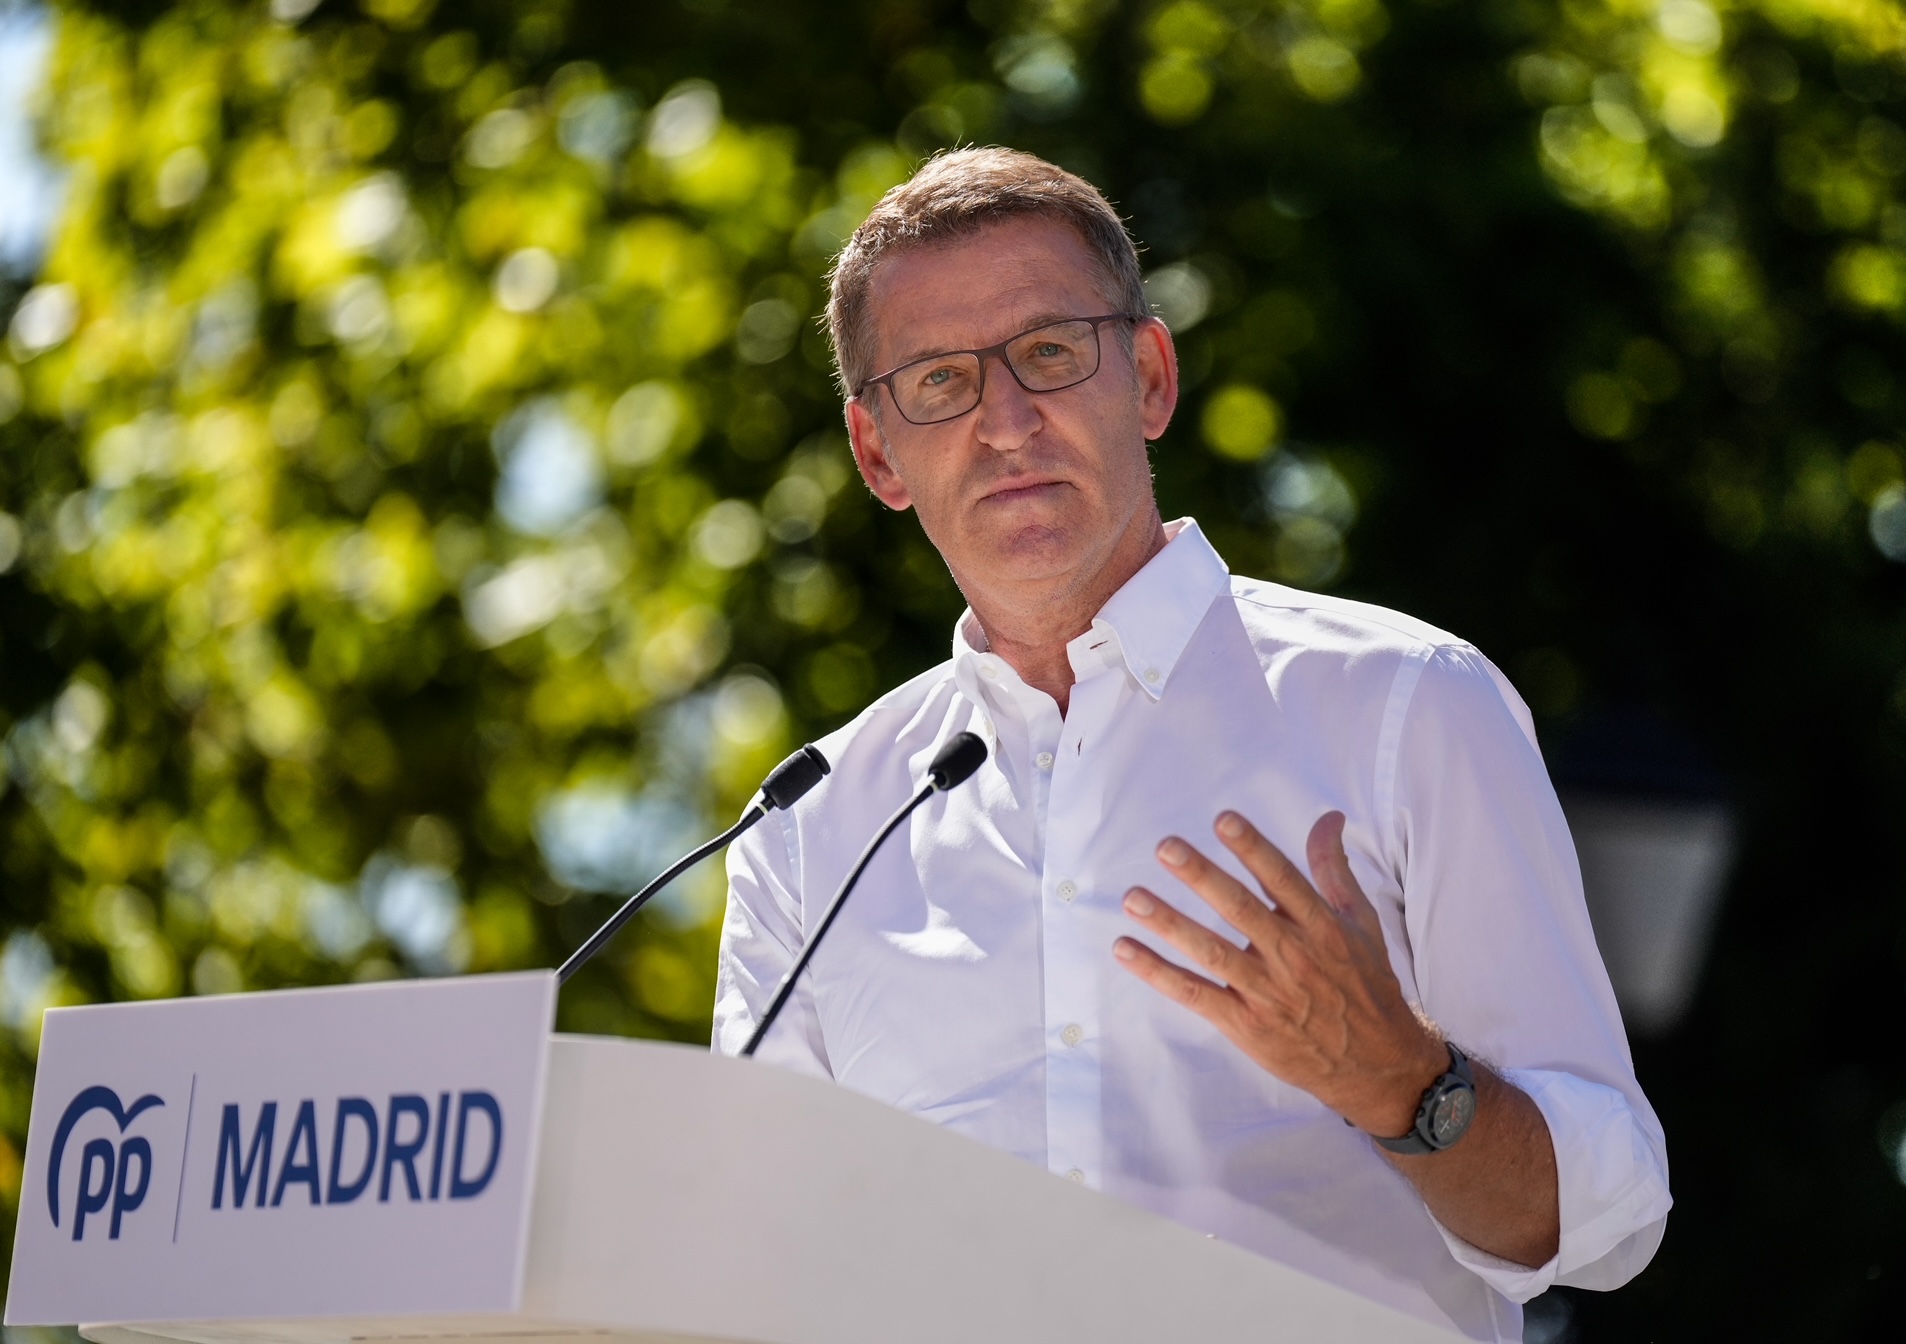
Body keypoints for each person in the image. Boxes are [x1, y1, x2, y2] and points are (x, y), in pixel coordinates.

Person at [712, 148, 1669, 1341]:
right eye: (940, 383)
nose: (1005, 422)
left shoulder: (1405, 704)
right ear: (875, 456)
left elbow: (1609, 1219)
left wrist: (1405, 1086)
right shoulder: (810, 831)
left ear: (1150, 377)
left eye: (1050, 353)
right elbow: (745, 1272)